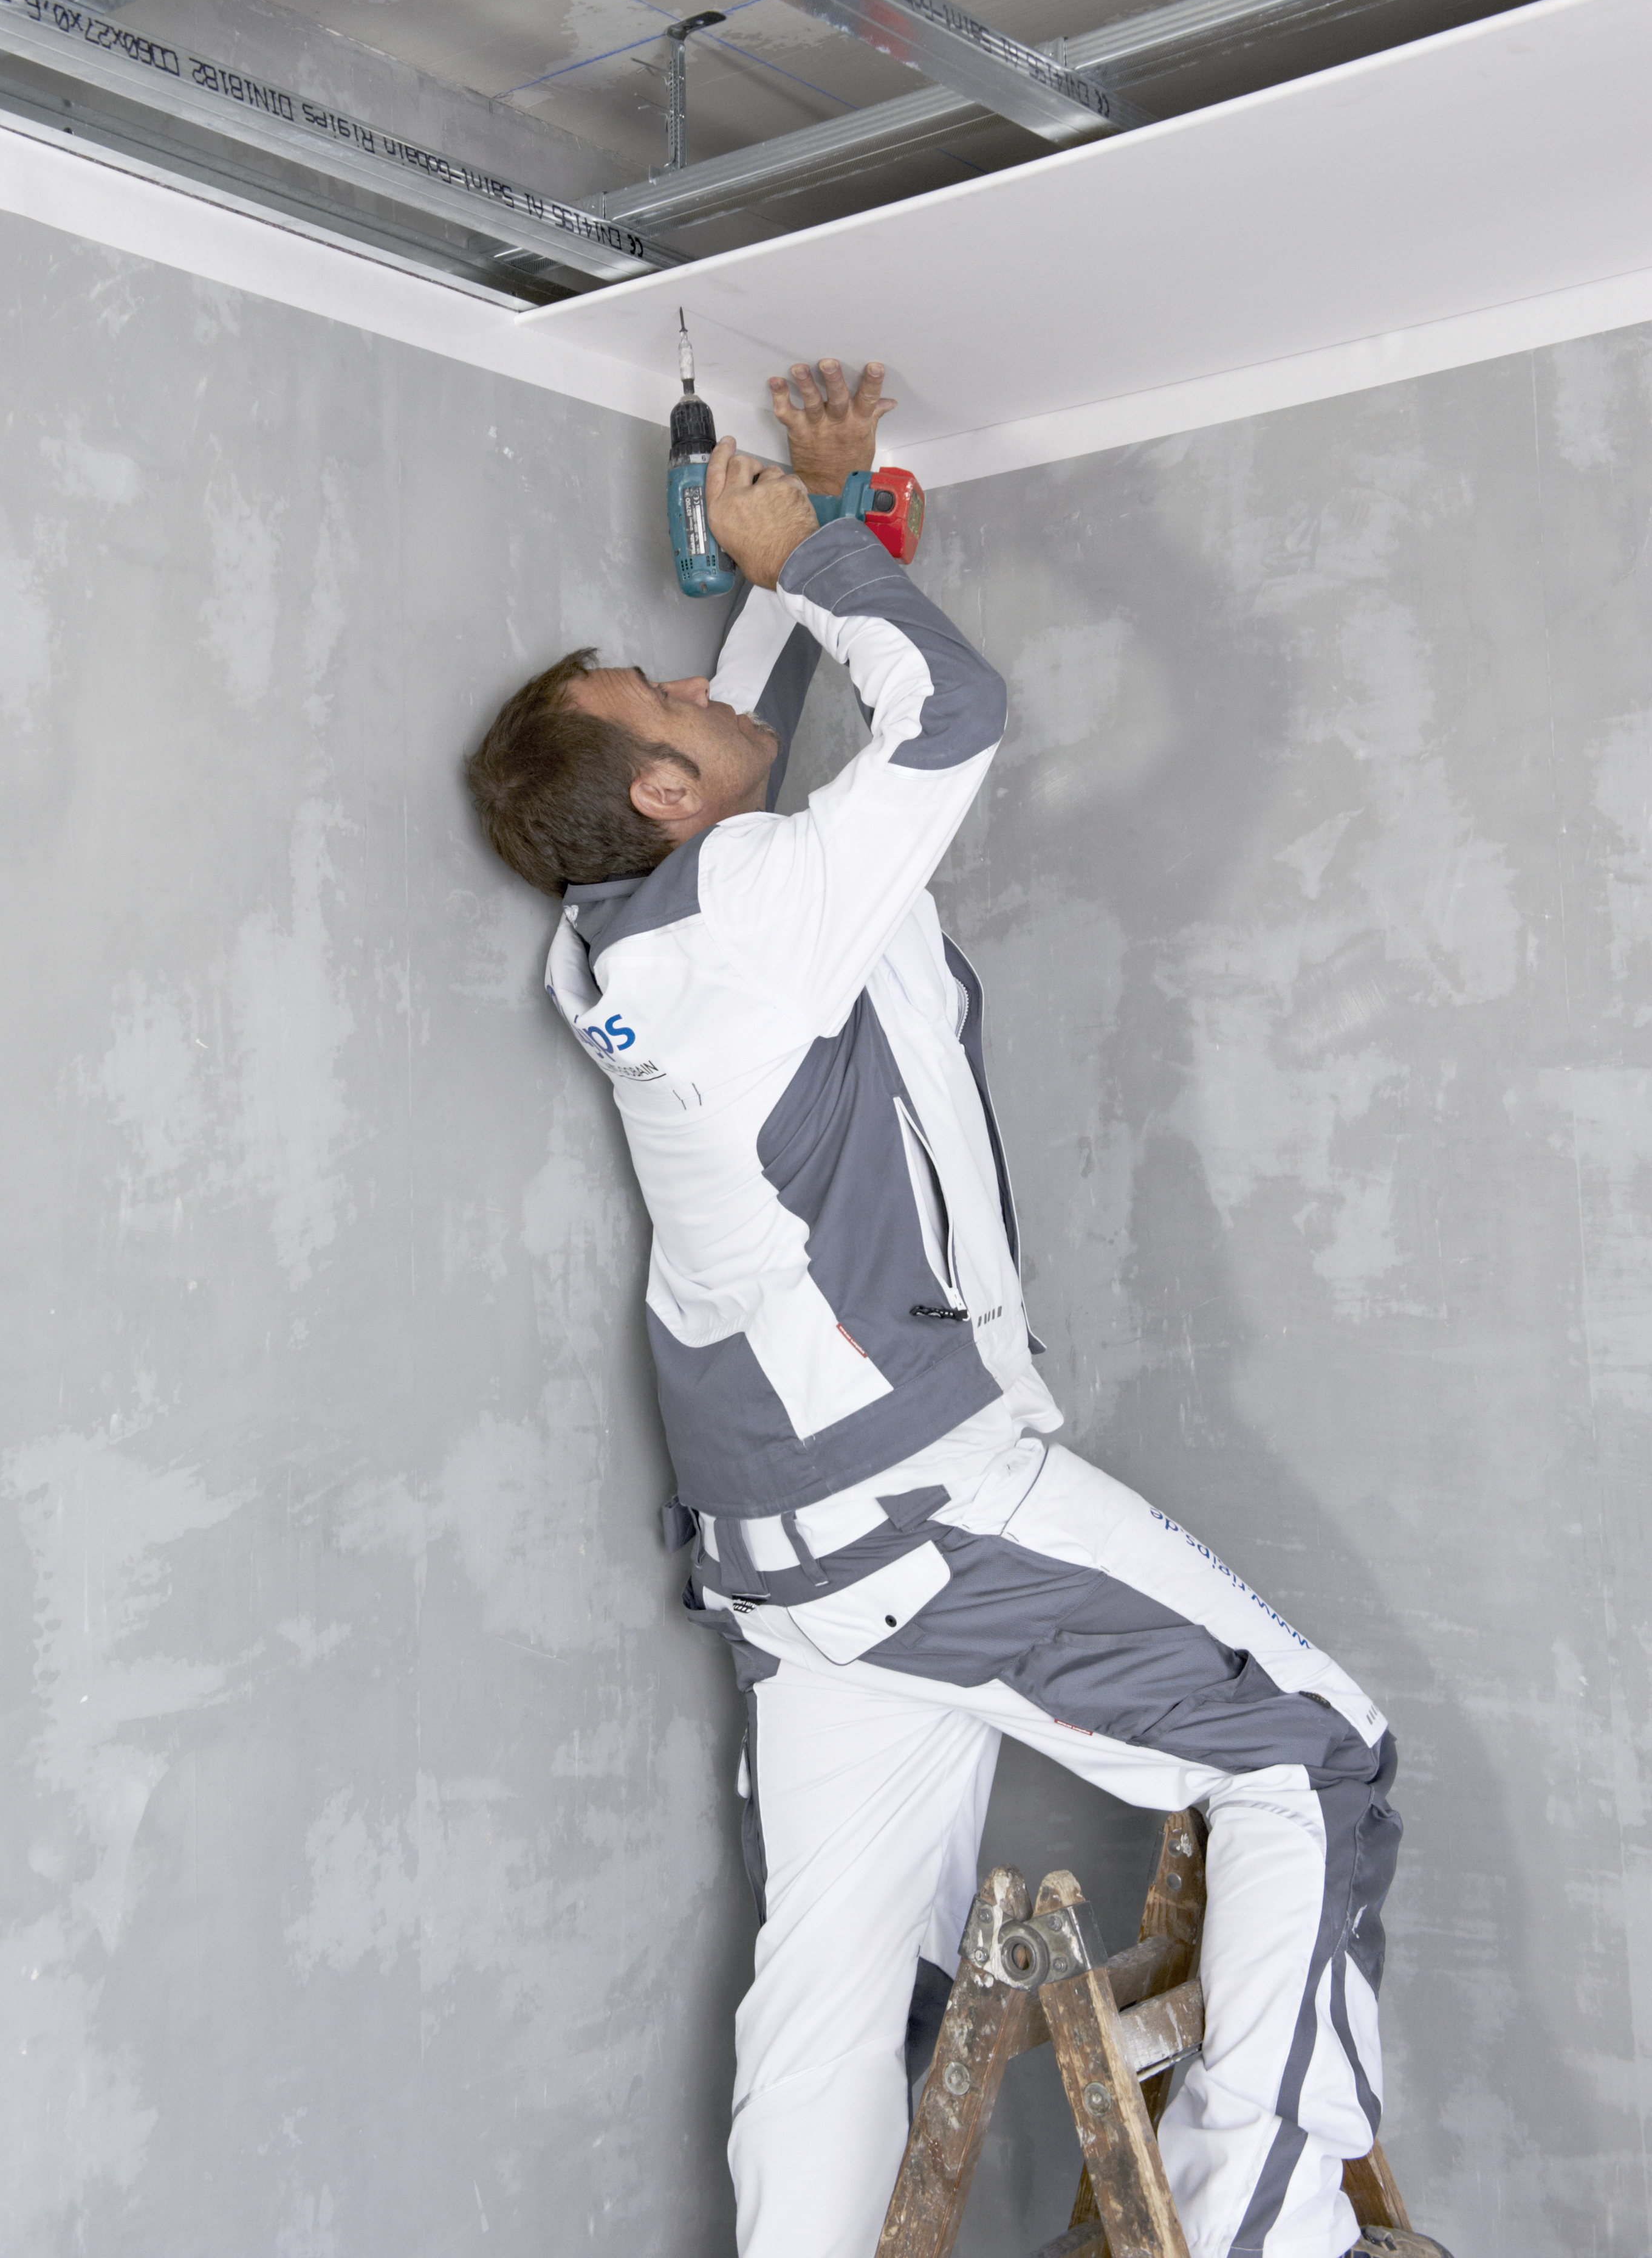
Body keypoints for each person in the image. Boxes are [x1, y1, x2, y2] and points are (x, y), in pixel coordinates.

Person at [466, 359, 1404, 2258]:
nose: (703, 693)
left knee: (831, 1990)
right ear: (661, 793)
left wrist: (823, 527)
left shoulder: (642, 937)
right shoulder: (749, 915)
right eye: (664, 702)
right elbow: (952, 709)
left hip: (799, 1565)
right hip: (929, 1512)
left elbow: (759, 723)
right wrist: (809, 537)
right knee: (1315, 1755)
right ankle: (1261, 2235)